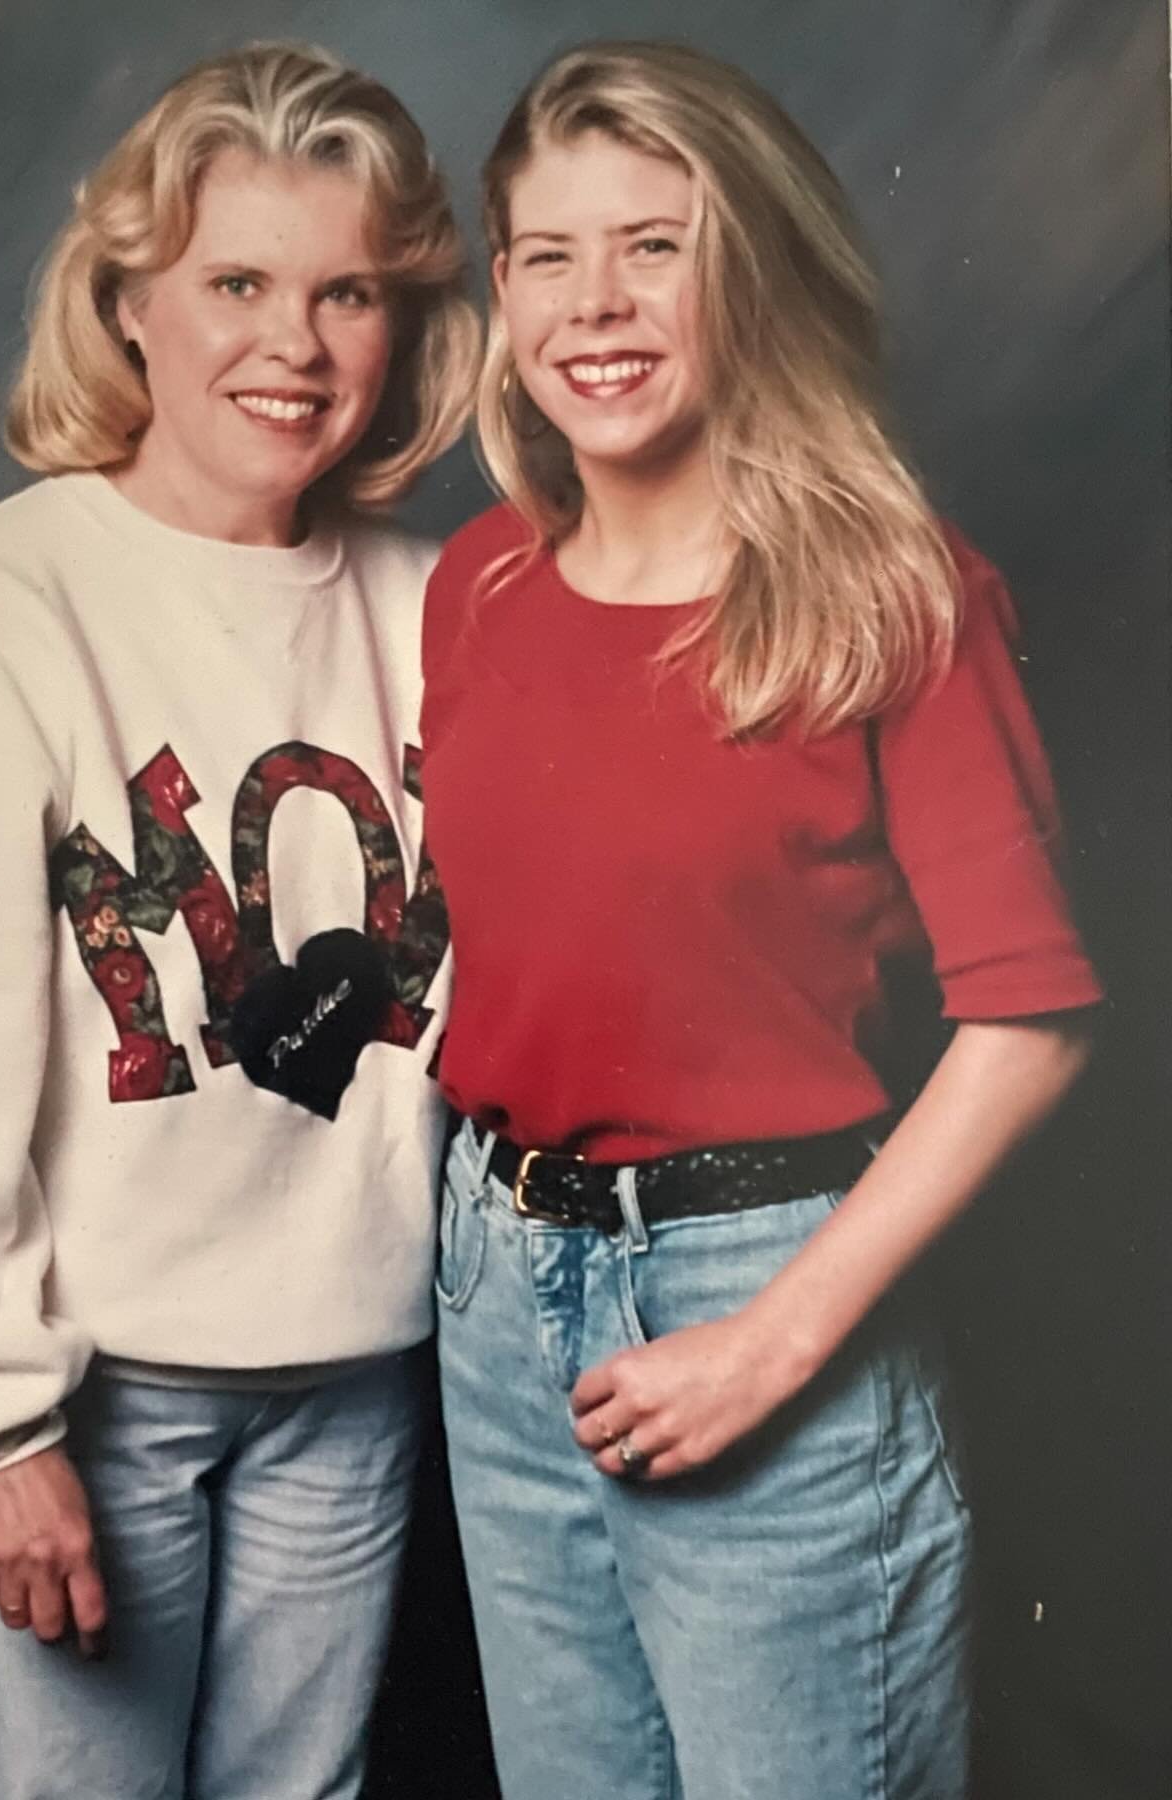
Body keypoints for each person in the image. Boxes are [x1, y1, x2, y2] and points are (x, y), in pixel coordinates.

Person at [0, 42, 476, 1800]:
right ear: (129, 306)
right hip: (95, 1396)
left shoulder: (439, 607)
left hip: (357, 1377)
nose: (293, 346)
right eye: (236, 283)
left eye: (346, 295)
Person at [420, 40, 1102, 1800]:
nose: (597, 303)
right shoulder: (478, 581)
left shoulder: (892, 595)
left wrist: (777, 1341)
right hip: (495, 1292)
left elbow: (1031, 1024)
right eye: (549, 256)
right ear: (502, 294)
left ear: (751, 263)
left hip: (764, 1286)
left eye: (656, 243)